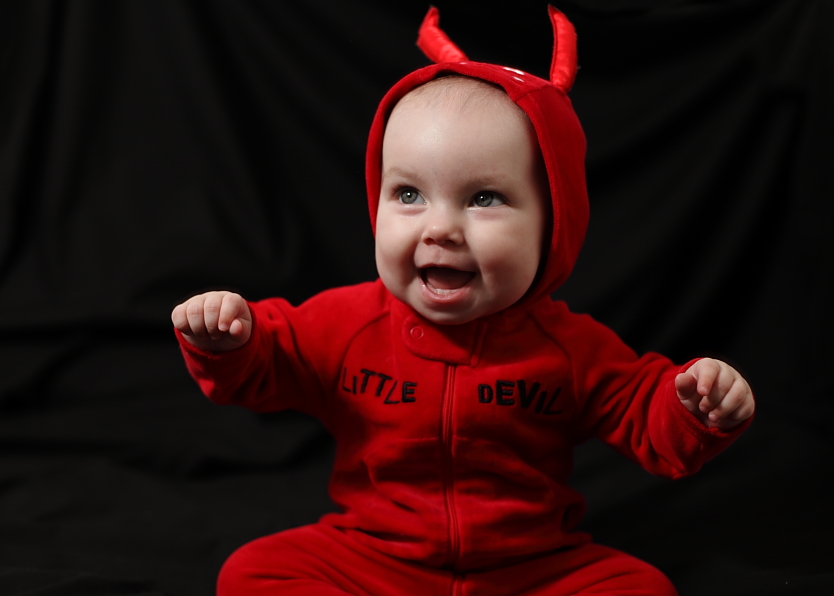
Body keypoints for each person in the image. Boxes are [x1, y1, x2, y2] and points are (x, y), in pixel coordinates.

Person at [172, 7, 754, 595]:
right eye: (408, 194)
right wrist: (230, 340)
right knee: (252, 572)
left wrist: (692, 407)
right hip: (375, 557)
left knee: (643, 588)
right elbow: (269, 362)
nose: (440, 229)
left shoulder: (568, 348)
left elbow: (641, 408)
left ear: (553, 223)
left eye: (483, 198)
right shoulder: (348, 324)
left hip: (530, 567)